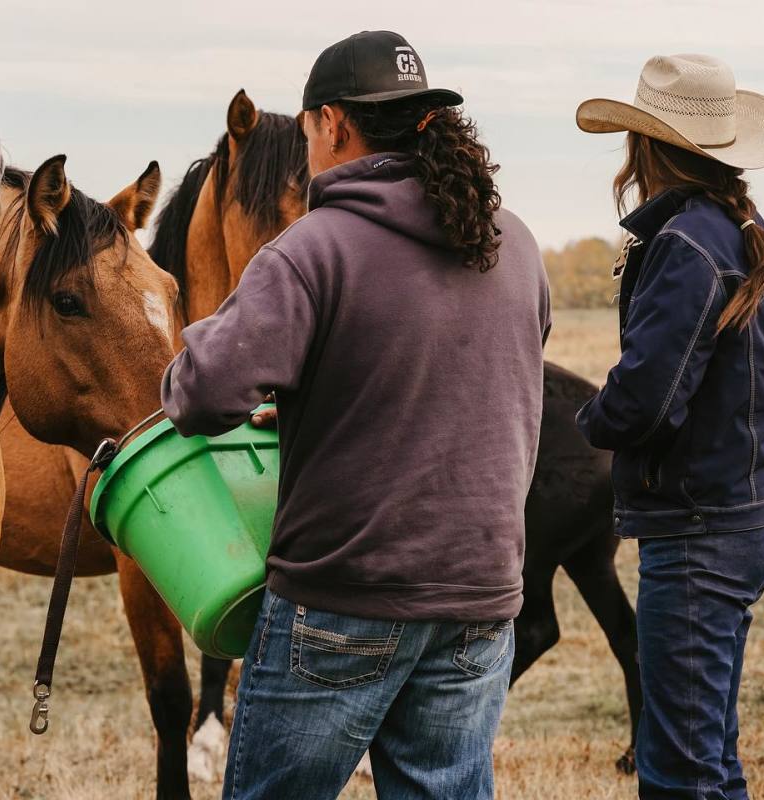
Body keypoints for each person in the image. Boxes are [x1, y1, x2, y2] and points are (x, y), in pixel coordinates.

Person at [161, 30, 550, 800]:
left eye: (305, 130)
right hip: (481, 598)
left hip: (346, 596)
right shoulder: (518, 245)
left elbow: (197, 396)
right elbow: (477, 380)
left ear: (332, 124)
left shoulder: (311, 251)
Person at [574, 55, 764, 799]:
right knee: (709, 759)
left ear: (643, 145)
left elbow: (645, 399)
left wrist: (585, 421)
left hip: (699, 534)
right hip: (746, 518)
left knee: (677, 772)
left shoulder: (685, 244)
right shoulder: (745, 227)